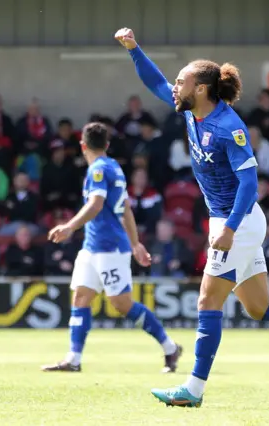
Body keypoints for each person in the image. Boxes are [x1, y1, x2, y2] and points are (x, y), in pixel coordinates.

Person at [115, 27, 269, 408]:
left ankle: (193, 390)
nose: (175, 87)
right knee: (259, 307)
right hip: (233, 221)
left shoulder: (229, 127)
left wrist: (230, 229)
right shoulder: (191, 111)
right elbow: (155, 81)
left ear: (200, 89)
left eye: (181, 81)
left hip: (240, 220)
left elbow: (250, 185)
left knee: (207, 301)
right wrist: (134, 49)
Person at [41, 122, 181, 374]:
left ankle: (170, 347)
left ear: (83, 146)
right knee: (81, 297)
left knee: (122, 303)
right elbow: (125, 208)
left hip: (110, 249)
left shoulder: (98, 170)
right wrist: (136, 243)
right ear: (106, 145)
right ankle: (73, 358)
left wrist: (69, 226)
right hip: (93, 246)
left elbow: (95, 205)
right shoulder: (115, 168)